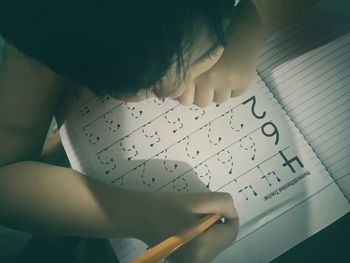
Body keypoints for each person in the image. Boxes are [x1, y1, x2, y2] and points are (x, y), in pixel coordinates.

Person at [0, 0, 318, 262]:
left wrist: (253, 21)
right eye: (149, 86)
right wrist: (141, 215)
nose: (179, 88)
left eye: (207, 53)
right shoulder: (45, 26)